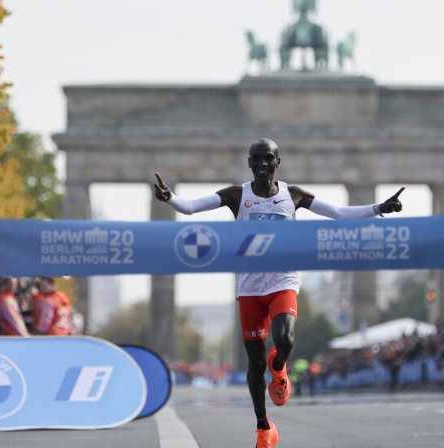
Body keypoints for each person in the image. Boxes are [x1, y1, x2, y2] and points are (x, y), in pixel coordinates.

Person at [153, 137, 403, 448]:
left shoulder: (293, 195)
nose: (261, 164)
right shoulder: (237, 195)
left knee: (284, 339)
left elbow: (338, 212)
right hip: (249, 287)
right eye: (256, 158)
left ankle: (280, 363)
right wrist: (170, 199)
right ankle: (263, 427)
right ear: (249, 163)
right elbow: (191, 208)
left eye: (267, 158)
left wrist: (380, 207)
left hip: (282, 279)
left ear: (277, 161)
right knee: (255, 363)